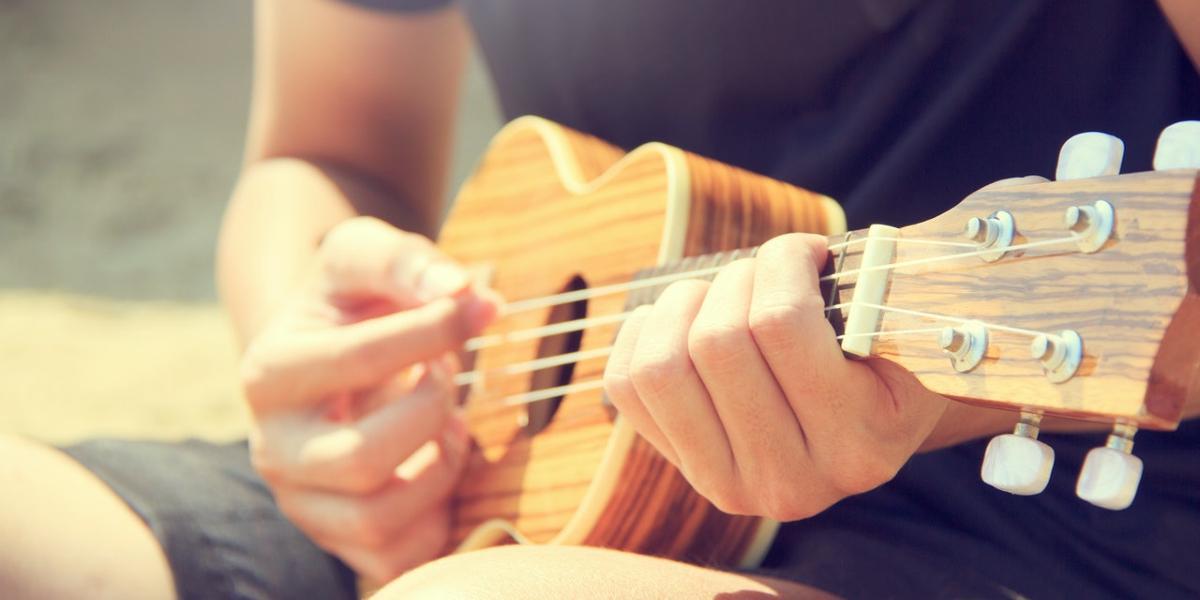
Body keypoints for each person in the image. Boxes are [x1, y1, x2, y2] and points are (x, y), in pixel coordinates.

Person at [2, 1, 1198, 598]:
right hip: (514, 461)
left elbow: (1147, 278)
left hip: (1046, 529)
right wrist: (320, 382)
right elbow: (326, 148)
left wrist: (923, 395)